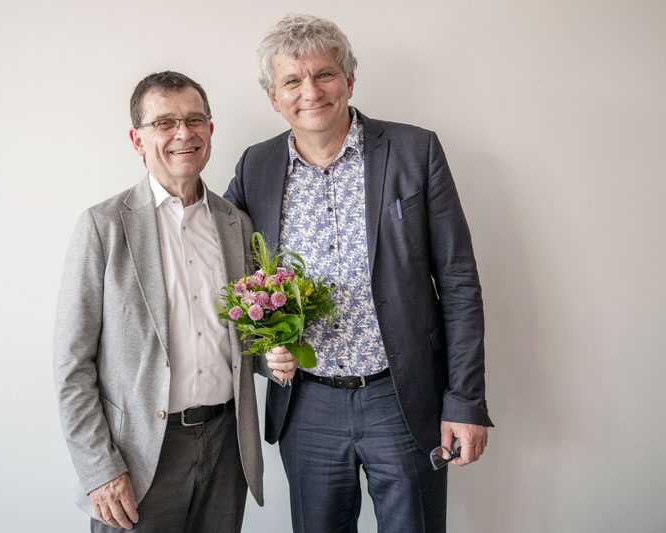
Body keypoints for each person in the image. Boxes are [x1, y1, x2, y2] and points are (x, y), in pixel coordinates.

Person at [224, 15, 494, 532]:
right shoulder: (253, 167)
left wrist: (465, 402)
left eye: (325, 74)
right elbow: (229, 280)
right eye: (292, 81)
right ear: (273, 97)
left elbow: (459, 283)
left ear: (349, 79)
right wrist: (261, 351)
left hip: (404, 399)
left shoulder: (416, 151)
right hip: (306, 405)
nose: (311, 91)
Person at [54, 71, 297, 532]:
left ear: (210, 129)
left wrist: (272, 357)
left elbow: (243, 335)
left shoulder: (236, 224)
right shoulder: (102, 227)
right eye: (164, 123)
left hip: (227, 448)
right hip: (139, 456)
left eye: (194, 120)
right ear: (137, 139)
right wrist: (100, 470)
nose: (183, 133)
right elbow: (72, 364)